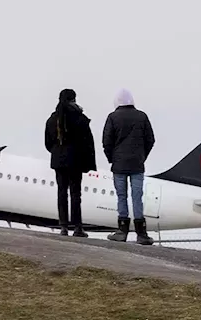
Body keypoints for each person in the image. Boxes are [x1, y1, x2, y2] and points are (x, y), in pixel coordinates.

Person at [102, 88, 155, 245]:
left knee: (121, 197)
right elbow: (150, 140)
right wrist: (142, 156)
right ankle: (141, 233)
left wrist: (112, 158)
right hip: (137, 164)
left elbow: (106, 141)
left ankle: (122, 231)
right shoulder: (142, 116)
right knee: (137, 197)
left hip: (119, 165)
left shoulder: (112, 117)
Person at [45, 88, 97, 237]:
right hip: (76, 160)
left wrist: (57, 152)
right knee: (75, 194)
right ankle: (77, 227)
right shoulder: (80, 118)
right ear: (73, 99)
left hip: (58, 161)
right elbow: (88, 143)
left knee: (61, 192)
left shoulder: (52, 119)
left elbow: (48, 143)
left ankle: (63, 226)